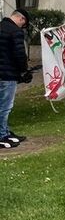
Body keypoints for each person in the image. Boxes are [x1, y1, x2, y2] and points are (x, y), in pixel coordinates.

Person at [0, 8, 30, 148]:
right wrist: (24, 71)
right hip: (8, 74)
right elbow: (19, 54)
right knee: (5, 106)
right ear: (21, 19)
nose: (22, 27)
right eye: (23, 25)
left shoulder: (1, 27)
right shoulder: (15, 31)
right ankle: (1, 135)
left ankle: (5, 132)